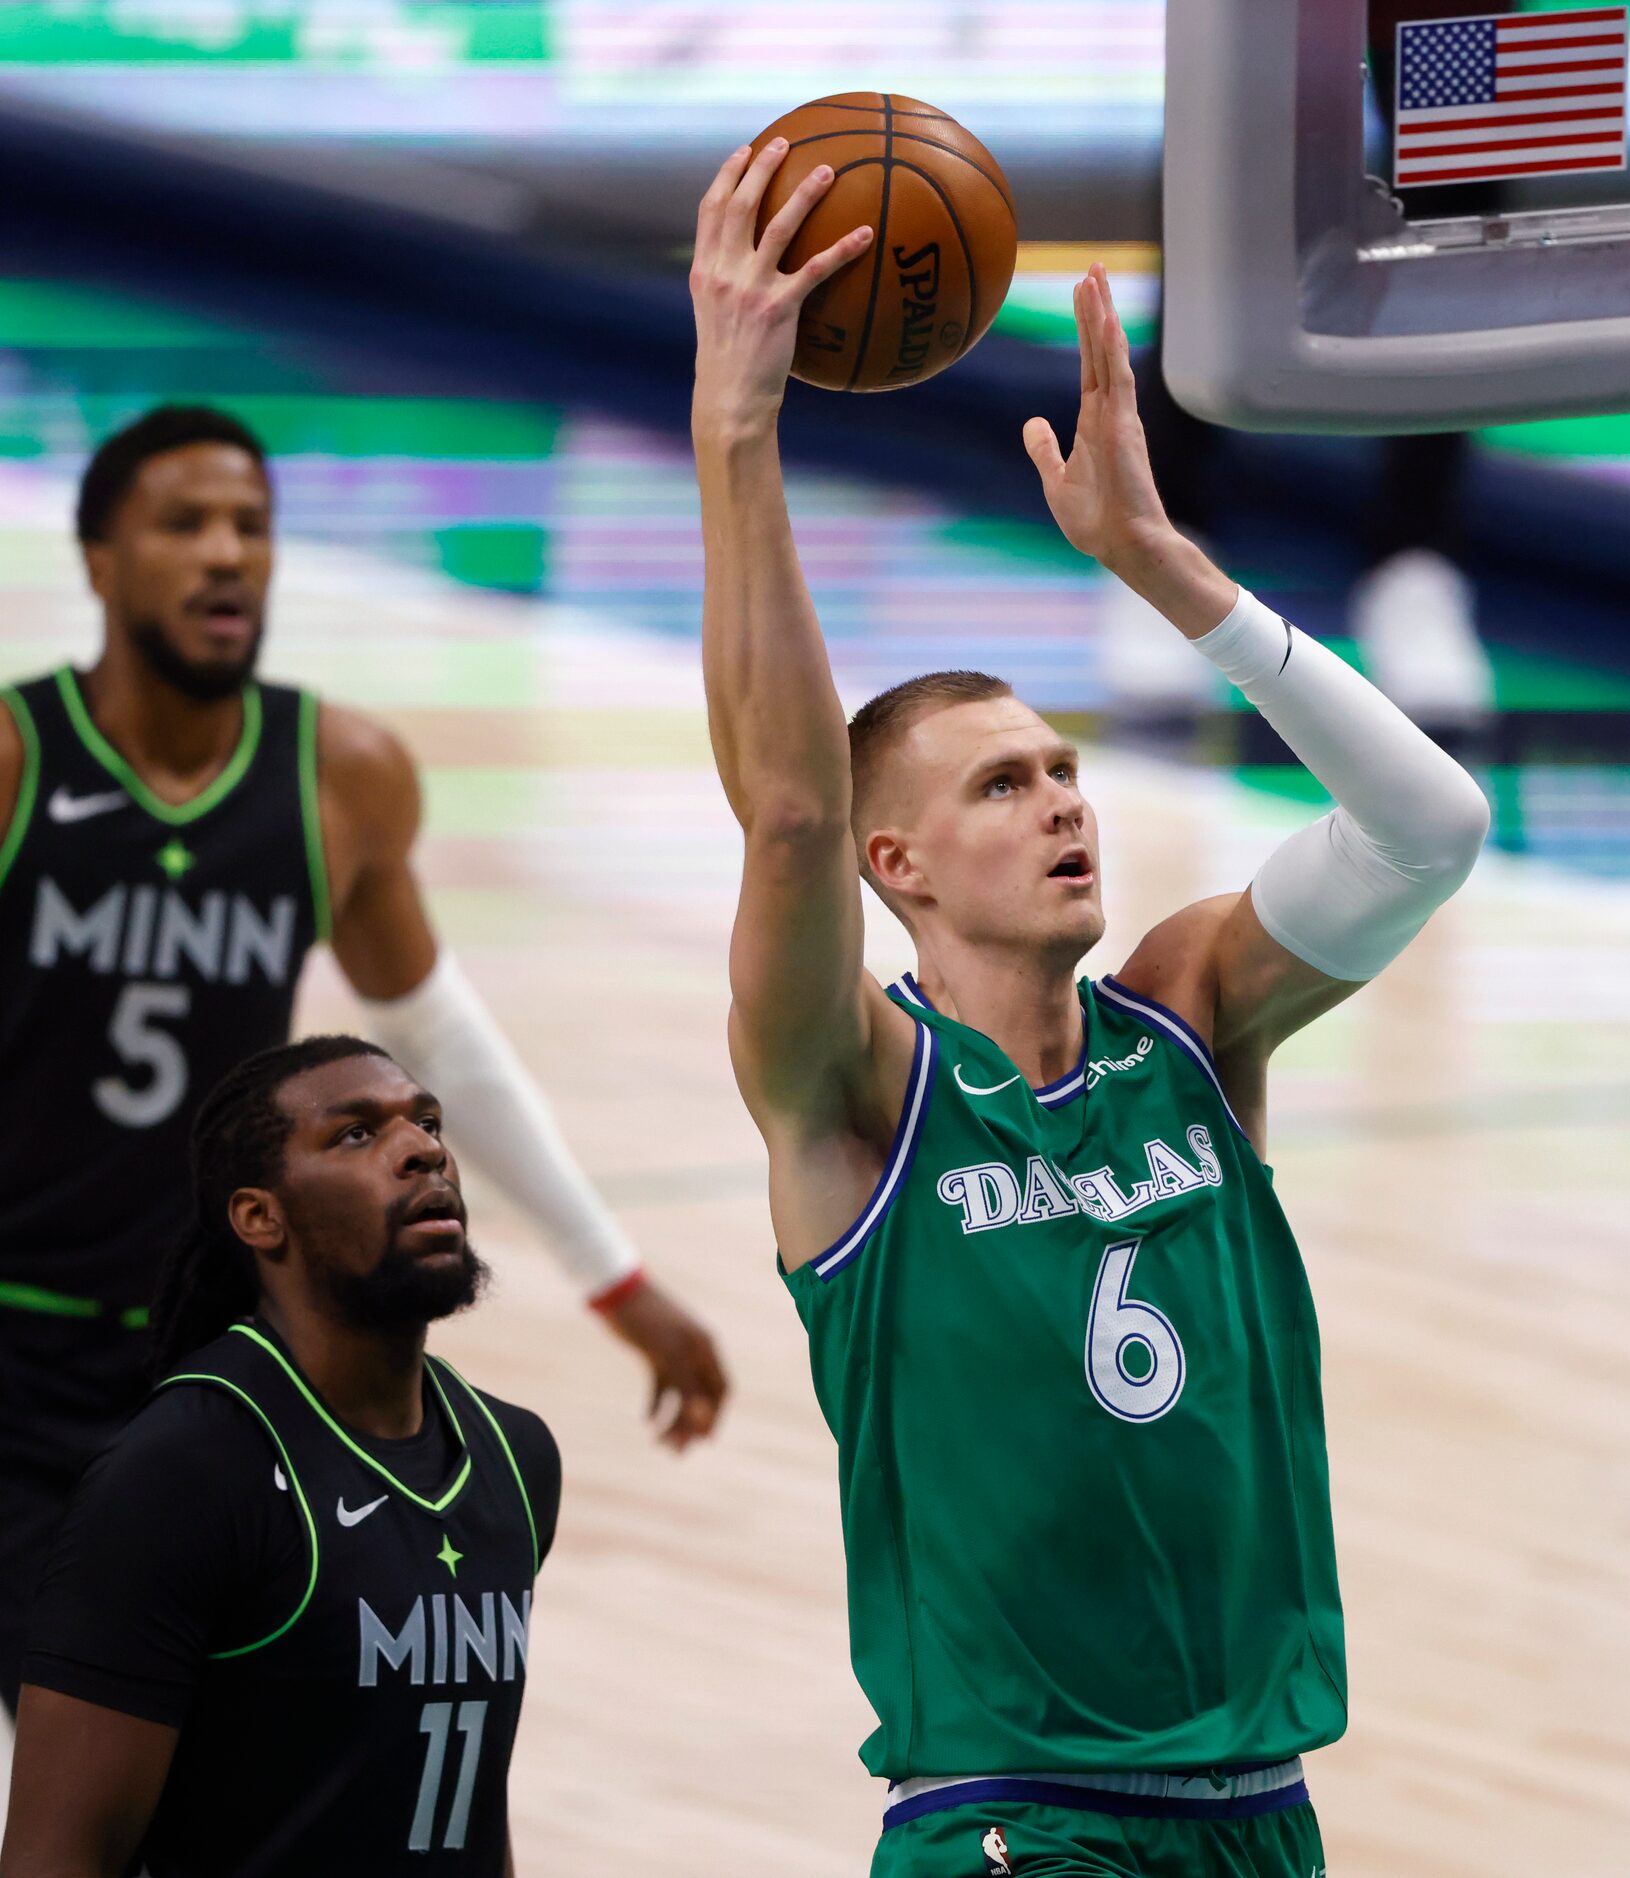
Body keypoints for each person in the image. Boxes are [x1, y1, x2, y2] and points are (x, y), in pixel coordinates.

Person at [690, 139, 1491, 1874]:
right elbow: (788, 809)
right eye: (998, 786)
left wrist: (1166, 570)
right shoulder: (857, 1094)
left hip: (1259, 1809)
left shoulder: (1190, 1019)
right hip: (1013, 1820)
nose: (1059, 801)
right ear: (894, 861)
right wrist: (737, 439)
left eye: (1061, 769)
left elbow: (1429, 825)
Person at [0, 406, 725, 1713]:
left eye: (252, 527)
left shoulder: (338, 775)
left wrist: (612, 1277)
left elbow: (439, 1038)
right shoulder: (13, 760)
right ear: (100, 559)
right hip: (9, 1351)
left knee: (221, 1784)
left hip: (204, 1360)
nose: (227, 554)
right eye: (185, 524)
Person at [0, 1036, 557, 1877]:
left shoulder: (515, 1457)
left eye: (428, 1123)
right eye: (357, 1135)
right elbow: (57, 1855)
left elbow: (465, 1806)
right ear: (261, 1216)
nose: (424, 1150)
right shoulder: (186, 1472)